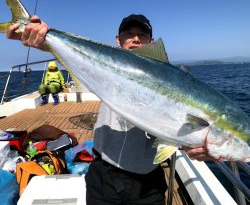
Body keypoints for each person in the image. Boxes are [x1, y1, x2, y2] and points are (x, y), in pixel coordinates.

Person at [7, 14, 217, 204]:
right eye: (129, 34)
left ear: (150, 42)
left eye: (142, 35)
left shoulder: (171, 81)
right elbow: (75, 55)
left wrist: (197, 144)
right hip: (103, 174)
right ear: (118, 40)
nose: (135, 39)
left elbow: (177, 125)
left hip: (147, 182)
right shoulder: (105, 70)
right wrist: (44, 38)